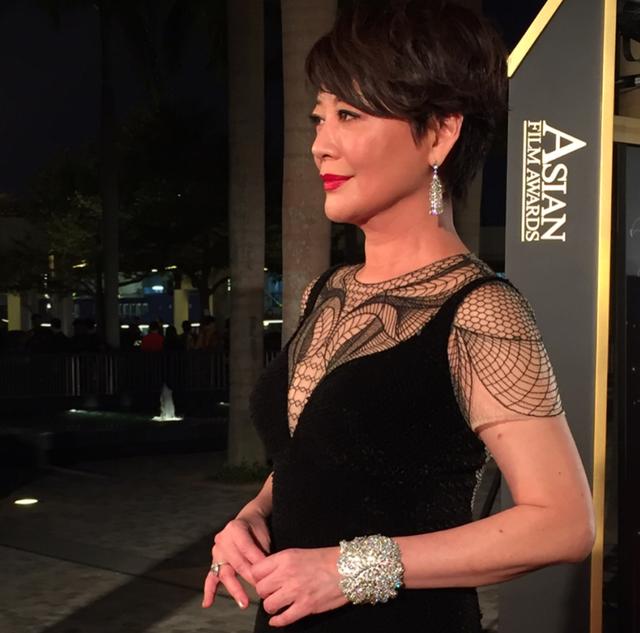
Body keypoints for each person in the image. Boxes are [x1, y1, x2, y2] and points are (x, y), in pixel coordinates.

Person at [202, 2, 595, 631]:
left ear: (439, 133)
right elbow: (309, 463)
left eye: (349, 116)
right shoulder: (326, 292)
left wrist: (350, 569)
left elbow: (564, 524)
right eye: (319, 117)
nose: (320, 145)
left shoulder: (481, 311)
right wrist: (251, 517)